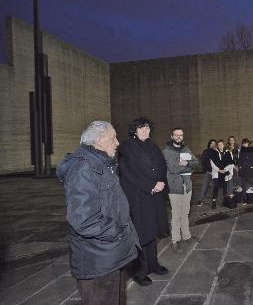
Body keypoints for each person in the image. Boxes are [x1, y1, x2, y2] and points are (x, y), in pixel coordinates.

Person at [57, 121, 140, 305]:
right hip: (97, 260)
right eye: (113, 138)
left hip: (108, 255)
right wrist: (117, 231)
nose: (118, 143)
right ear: (99, 141)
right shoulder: (84, 169)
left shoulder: (101, 163)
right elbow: (83, 219)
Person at [118, 118, 169, 286]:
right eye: (141, 128)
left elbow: (162, 165)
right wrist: (150, 186)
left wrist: (161, 182)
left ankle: (153, 265)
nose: (145, 131)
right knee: (141, 234)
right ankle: (139, 272)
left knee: (152, 232)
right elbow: (128, 172)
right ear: (134, 130)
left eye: (147, 128)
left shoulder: (152, 145)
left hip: (154, 196)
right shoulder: (127, 146)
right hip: (138, 196)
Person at [163, 128, 199, 254]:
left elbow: (197, 163)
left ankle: (187, 236)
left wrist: (187, 163)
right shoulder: (167, 151)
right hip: (175, 187)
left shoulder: (186, 149)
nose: (179, 137)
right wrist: (186, 166)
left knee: (185, 213)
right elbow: (173, 168)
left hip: (187, 186)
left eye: (181, 135)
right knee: (176, 214)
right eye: (176, 135)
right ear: (171, 136)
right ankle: (175, 240)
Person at [197, 139, 217, 206]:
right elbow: (203, 161)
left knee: (213, 186)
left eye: (214, 143)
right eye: (212, 143)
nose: (213, 145)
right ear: (209, 144)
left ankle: (213, 200)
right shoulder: (205, 151)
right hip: (208, 172)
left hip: (215, 172)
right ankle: (200, 200)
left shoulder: (216, 152)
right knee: (204, 186)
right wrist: (208, 170)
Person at [238, 138, 253, 205]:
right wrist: (240, 166)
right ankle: (244, 198)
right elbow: (240, 159)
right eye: (243, 143)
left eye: (246, 143)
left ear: (248, 143)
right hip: (243, 170)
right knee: (243, 185)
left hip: (251, 170)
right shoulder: (242, 150)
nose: (244, 144)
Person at [210, 140, 228, 209]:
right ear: (217, 146)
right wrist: (219, 170)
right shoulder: (214, 153)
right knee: (216, 187)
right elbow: (212, 163)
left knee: (225, 188)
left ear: (224, 145)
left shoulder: (227, 153)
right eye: (219, 145)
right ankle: (214, 202)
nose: (220, 146)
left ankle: (225, 201)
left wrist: (225, 170)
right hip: (217, 173)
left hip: (224, 173)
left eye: (221, 144)